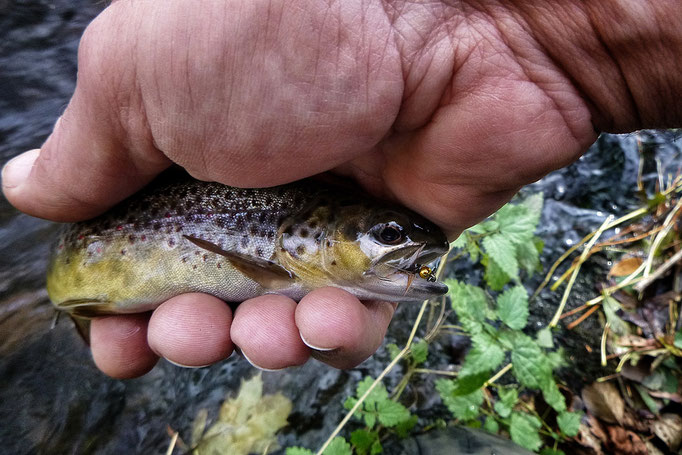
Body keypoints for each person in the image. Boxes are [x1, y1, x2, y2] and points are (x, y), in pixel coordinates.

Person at [2, 0, 680, 379]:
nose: (405, 247)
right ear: (311, 235)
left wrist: (546, 41)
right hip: (84, 266)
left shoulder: (294, 258)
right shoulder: (277, 256)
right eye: (388, 235)